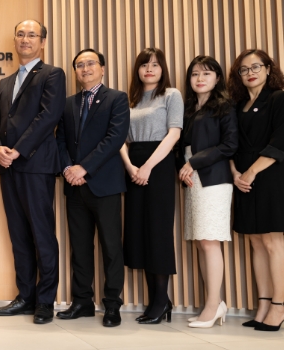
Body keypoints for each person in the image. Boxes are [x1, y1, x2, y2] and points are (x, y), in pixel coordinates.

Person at [0, 20, 65, 325]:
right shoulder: (5, 83)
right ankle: (25, 297)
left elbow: (49, 116)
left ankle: (45, 301)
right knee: (18, 234)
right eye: (20, 34)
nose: (25, 39)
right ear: (15, 40)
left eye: (32, 35)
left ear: (42, 42)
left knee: (42, 234)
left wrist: (17, 149)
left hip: (35, 165)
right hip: (7, 167)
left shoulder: (52, 74)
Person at [55, 49, 129, 327]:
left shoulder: (117, 99)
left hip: (105, 185)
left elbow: (114, 138)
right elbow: (59, 141)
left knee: (111, 247)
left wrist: (83, 168)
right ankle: (82, 302)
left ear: (102, 69)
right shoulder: (67, 104)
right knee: (80, 247)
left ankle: (112, 305)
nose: (84, 68)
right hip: (74, 187)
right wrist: (67, 170)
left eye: (90, 64)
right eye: (79, 65)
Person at [120, 48, 182, 324]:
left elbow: (174, 134)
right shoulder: (129, 100)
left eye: (155, 65)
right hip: (132, 165)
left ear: (162, 68)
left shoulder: (171, 94)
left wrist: (147, 167)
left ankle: (160, 301)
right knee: (139, 231)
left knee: (158, 231)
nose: (149, 69)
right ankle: (157, 299)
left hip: (159, 164)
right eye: (144, 64)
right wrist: (131, 167)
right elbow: (120, 138)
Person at [176, 56, 237, 328]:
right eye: (195, 74)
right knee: (202, 241)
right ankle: (213, 303)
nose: (200, 78)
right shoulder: (188, 109)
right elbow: (181, 146)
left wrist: (193, 163)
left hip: (214, 180)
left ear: (217, 78)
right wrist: (184, 167)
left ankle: (214, 306)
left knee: (210, 240)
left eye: (207, 73)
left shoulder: (224, 106)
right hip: (194, 179)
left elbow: (229, 145)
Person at [227, 49, 284, 332]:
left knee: (273, 242)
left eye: (256, 67)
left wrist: (250, 171)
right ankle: (263, 304)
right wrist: (237, 173)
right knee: (256, 243)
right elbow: (231, 143)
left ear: (268, 69)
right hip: (243, 178)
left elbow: (281, 142)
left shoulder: (278, 98)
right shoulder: (237, 105)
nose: (250, 73)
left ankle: (279, 306)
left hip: (270, 175)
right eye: (243, 69)